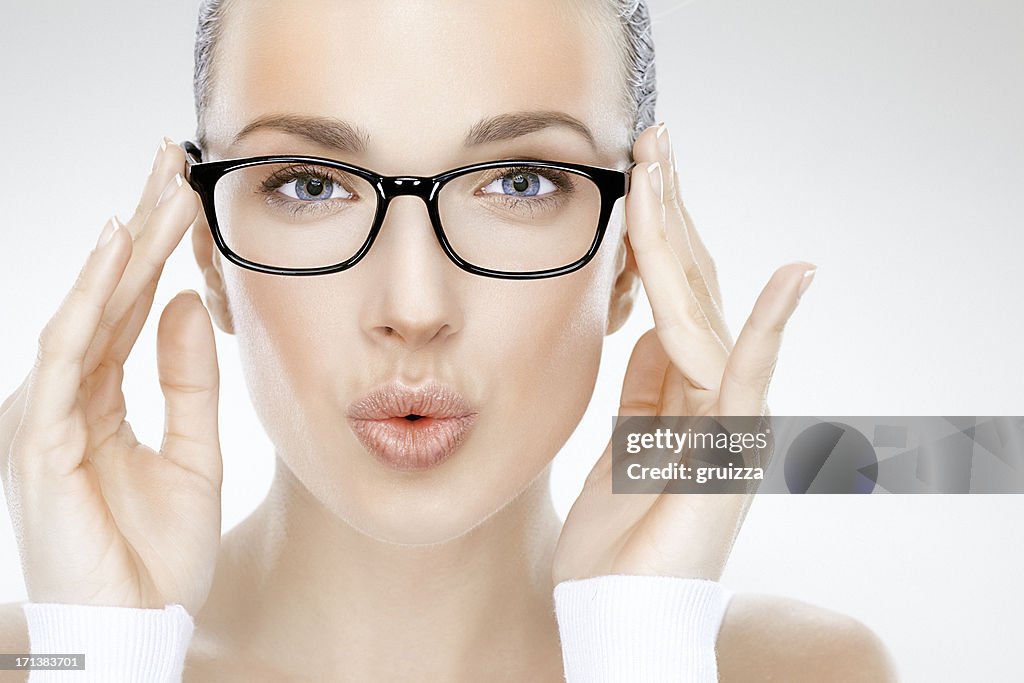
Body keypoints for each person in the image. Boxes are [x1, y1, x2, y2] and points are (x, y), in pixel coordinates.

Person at [0, 0, 897, 680]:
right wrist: (101, 652)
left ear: (632, 249)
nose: (416, 304)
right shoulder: (45, 659)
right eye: (312, 184)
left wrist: (641, 640)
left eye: (520, 179)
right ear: (207, 243)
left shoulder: (799, 671)